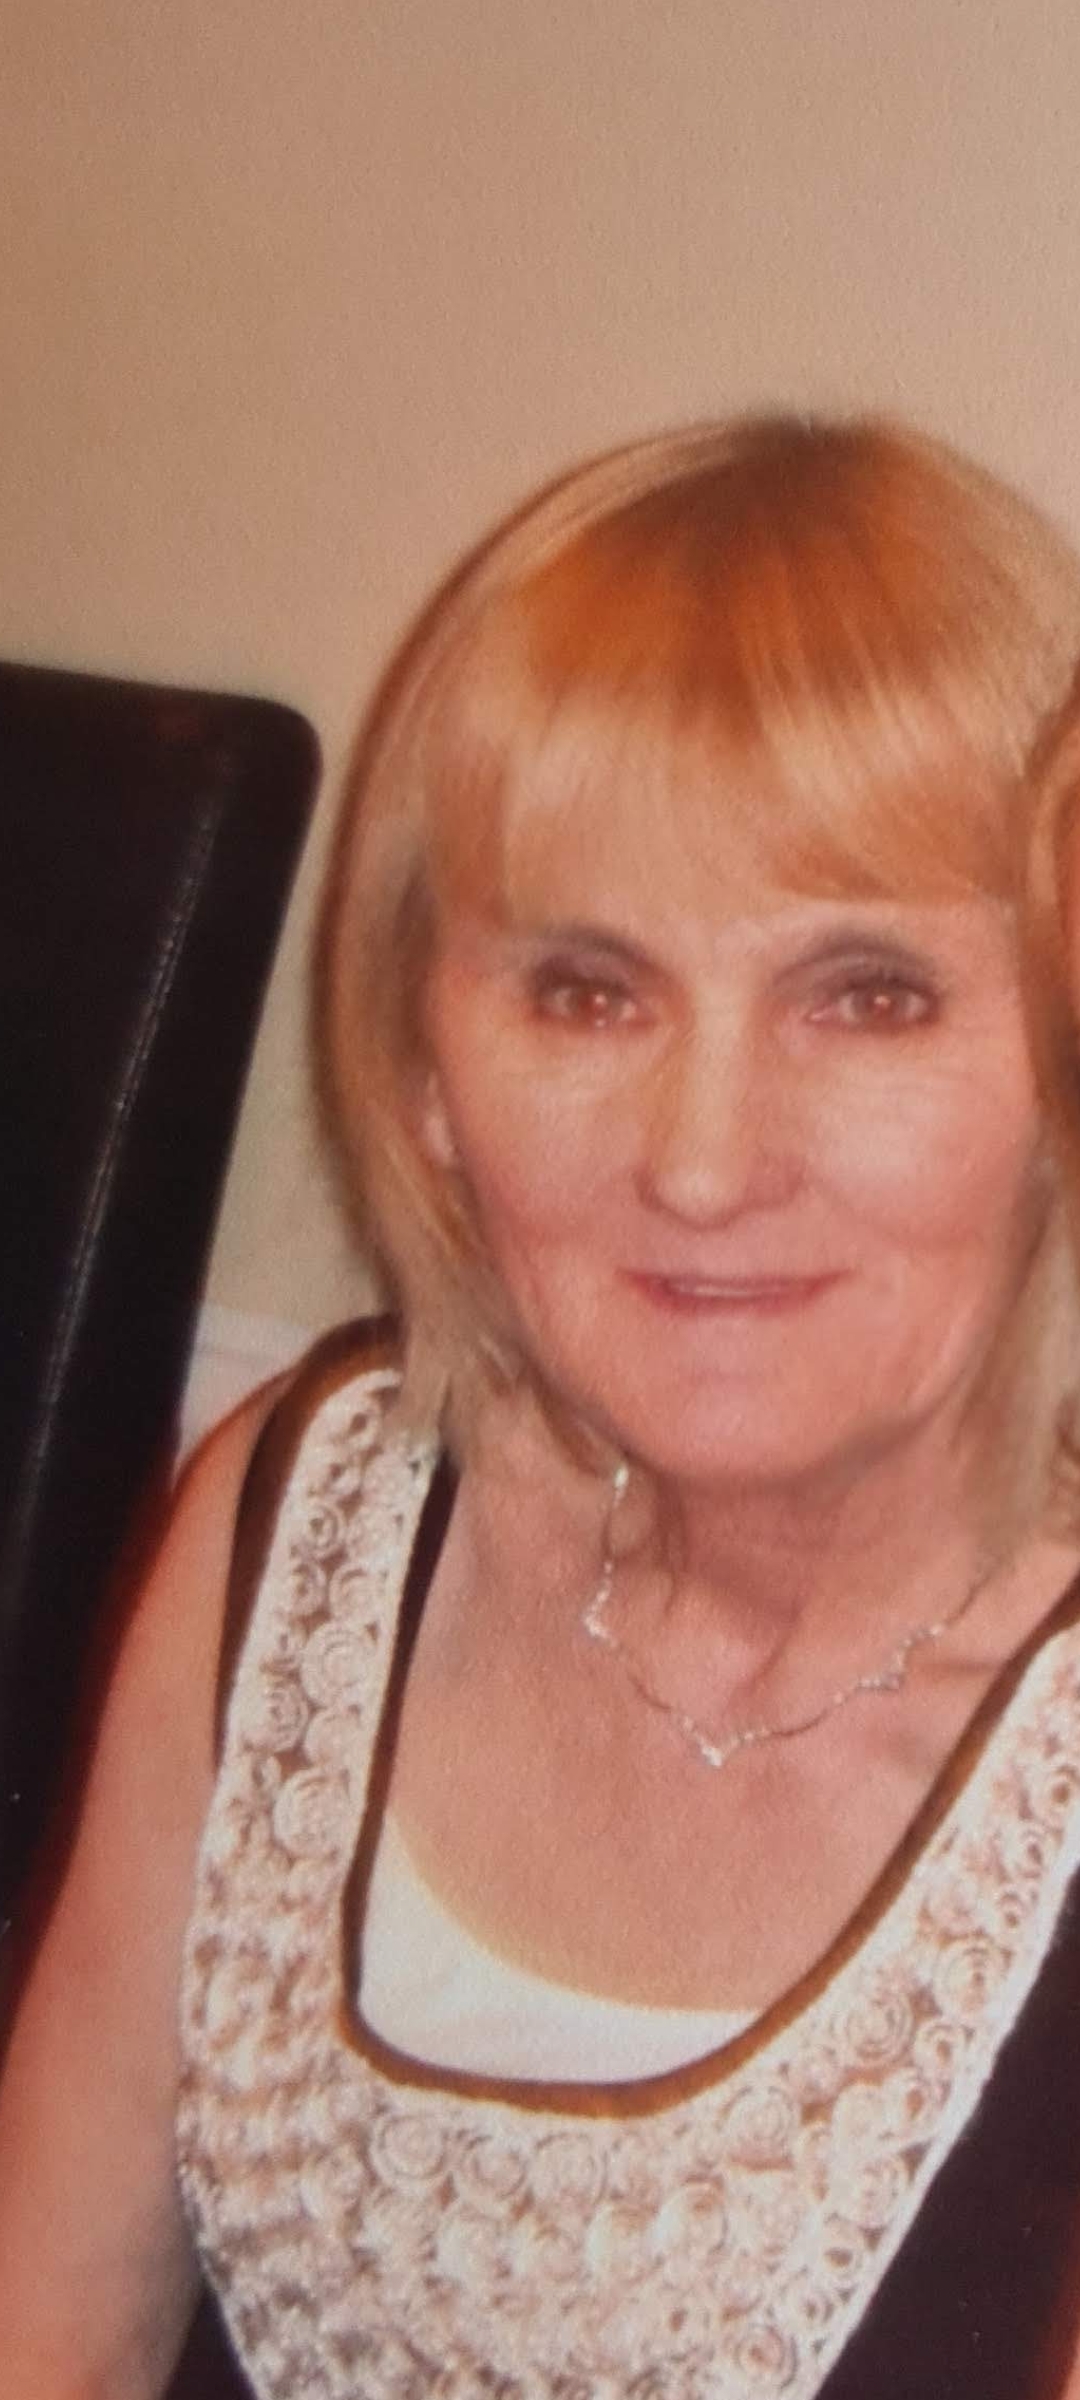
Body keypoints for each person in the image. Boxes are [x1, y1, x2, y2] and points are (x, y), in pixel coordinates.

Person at [6, 413, 1080, 2400]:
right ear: (428, 1071)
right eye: (589, 991)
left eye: (866, 993)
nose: (703, 1160)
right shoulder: (304, 1520)